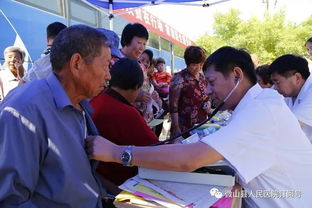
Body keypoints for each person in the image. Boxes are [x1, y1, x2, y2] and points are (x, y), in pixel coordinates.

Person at [87, 46, 312, 208]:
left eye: (212, 82)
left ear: (236, 75)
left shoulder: (261, 111)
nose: (209, 91)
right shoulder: (257, 105)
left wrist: (116, 153)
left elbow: (190, 159)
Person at [0, 25, 112, 207]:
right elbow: (10, 200)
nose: (109, 76)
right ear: (77, 63)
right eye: (106, 65)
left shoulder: (80, 105)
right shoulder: (26, 109)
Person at [90, 58, 159, 186]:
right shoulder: (127, 113)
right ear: (135, 87)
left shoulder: (94, 102)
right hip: (122, 184)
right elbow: (157, 150)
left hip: (96, 180)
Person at [270, 54, 312, 142]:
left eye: (277, 82)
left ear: (297, 78)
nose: (275, 88)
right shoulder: (290, 93)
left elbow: (290, 127)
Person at [169, 46, 210, 137]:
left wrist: (208, 103)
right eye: (194, 65)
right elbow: (173, 106)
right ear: (187, 63)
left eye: (200, 64)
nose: (197, 67)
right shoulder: (179, 78)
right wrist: (176, 128)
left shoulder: (203, 78)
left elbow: (207, 96)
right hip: (184, 127)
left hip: (201, 125)